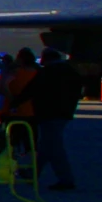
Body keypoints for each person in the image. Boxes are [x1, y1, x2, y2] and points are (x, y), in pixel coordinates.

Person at [27, 49, 83, 190]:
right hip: (64, 113)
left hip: (48, 113)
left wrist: (15, 104)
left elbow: (31, 89)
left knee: (55, 148)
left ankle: (66, 180)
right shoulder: (71, 72)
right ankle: (33, 173)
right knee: (46, 146)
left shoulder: (47, 73)